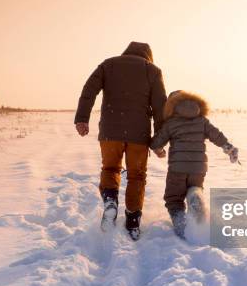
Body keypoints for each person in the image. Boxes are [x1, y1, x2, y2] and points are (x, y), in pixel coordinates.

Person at [74, 42, 167, 241]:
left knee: (110, 169)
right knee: (137, 176)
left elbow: (89, 90)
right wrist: (159, 140)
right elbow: (160, 106)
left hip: (110, 132)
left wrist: (82, 118)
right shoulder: (152, 71)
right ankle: (133, 221)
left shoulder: (108, 65)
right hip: (138, 135)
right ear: (148, 56)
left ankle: (110, 201)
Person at [150, 90, 238, 239]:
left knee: (173, 198)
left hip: (177, 169)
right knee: (195, 186)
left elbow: (156, 143)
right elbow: (216, 135)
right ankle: (195, 194)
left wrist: (159, 150)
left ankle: (180, 224)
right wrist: (228, 148)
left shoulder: (171, 123)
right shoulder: (202, 120)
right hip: (198, 168)